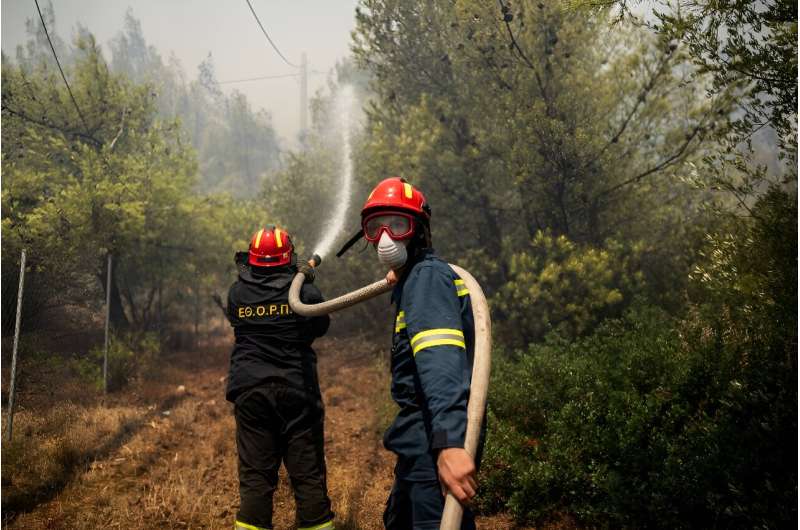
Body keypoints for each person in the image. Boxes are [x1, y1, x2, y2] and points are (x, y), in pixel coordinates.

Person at [344, 177, 481, 529]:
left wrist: (449, 444)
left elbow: (441, 364)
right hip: (416, 443)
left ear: (419, 230)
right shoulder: (417, 278)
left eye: (399, 225)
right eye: (377, 227)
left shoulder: (427, 279)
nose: (387, 238)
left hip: (432, 443)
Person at [224, 226, 334, 530]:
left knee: (256, 478)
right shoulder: (304, 293)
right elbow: (321, 326)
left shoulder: (237, 293)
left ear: (252, 259)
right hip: (296, 391)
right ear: (289, 257)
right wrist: (305, 283)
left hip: (251, 392)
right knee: (307, 475)